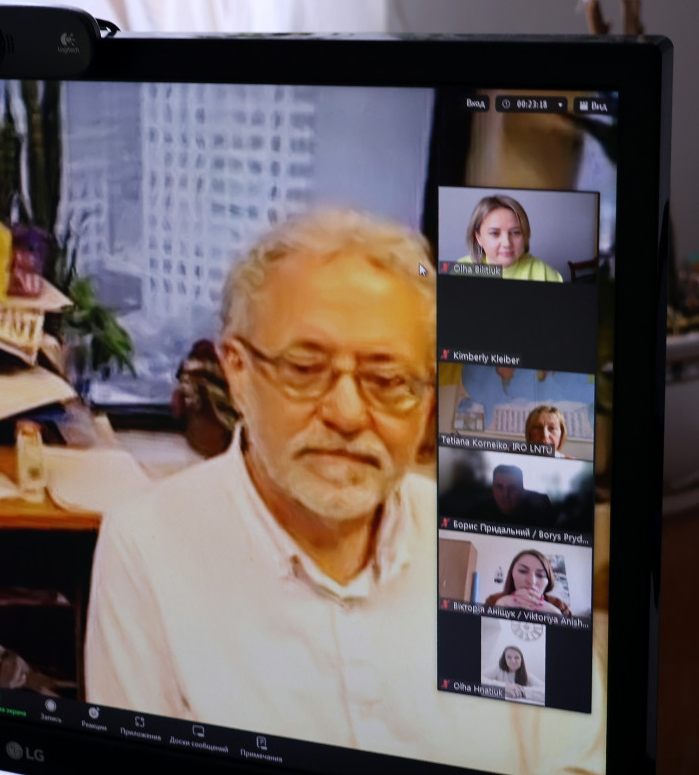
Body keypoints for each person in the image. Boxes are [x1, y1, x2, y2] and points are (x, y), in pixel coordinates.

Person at [85, 210, 605, 773]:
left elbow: (580, 760)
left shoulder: (504, 537)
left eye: (388, 381)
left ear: (428, 401)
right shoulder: (147, 545)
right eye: (305, 369)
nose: (348, 414)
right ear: (237, 372)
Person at [457, 194, 563, 282]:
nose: (507, 243)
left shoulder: (544, 274)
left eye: (515, 233)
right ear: (479, 237)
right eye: (494, 233)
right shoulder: (460, 270)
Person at [465, 464, 556, 526]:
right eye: (499, 487)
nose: (505, 494)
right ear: (492, 488)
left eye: (512, 488)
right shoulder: (476, 514)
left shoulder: (540, 513)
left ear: (522, 490)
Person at [486, 549, 570, 616]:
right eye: (523, 571)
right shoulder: (493, 600)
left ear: (548, 581)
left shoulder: (560, 606)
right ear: (511, 574)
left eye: (540, 575)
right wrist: (500, 607)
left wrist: (555, 615)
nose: (532, 581)